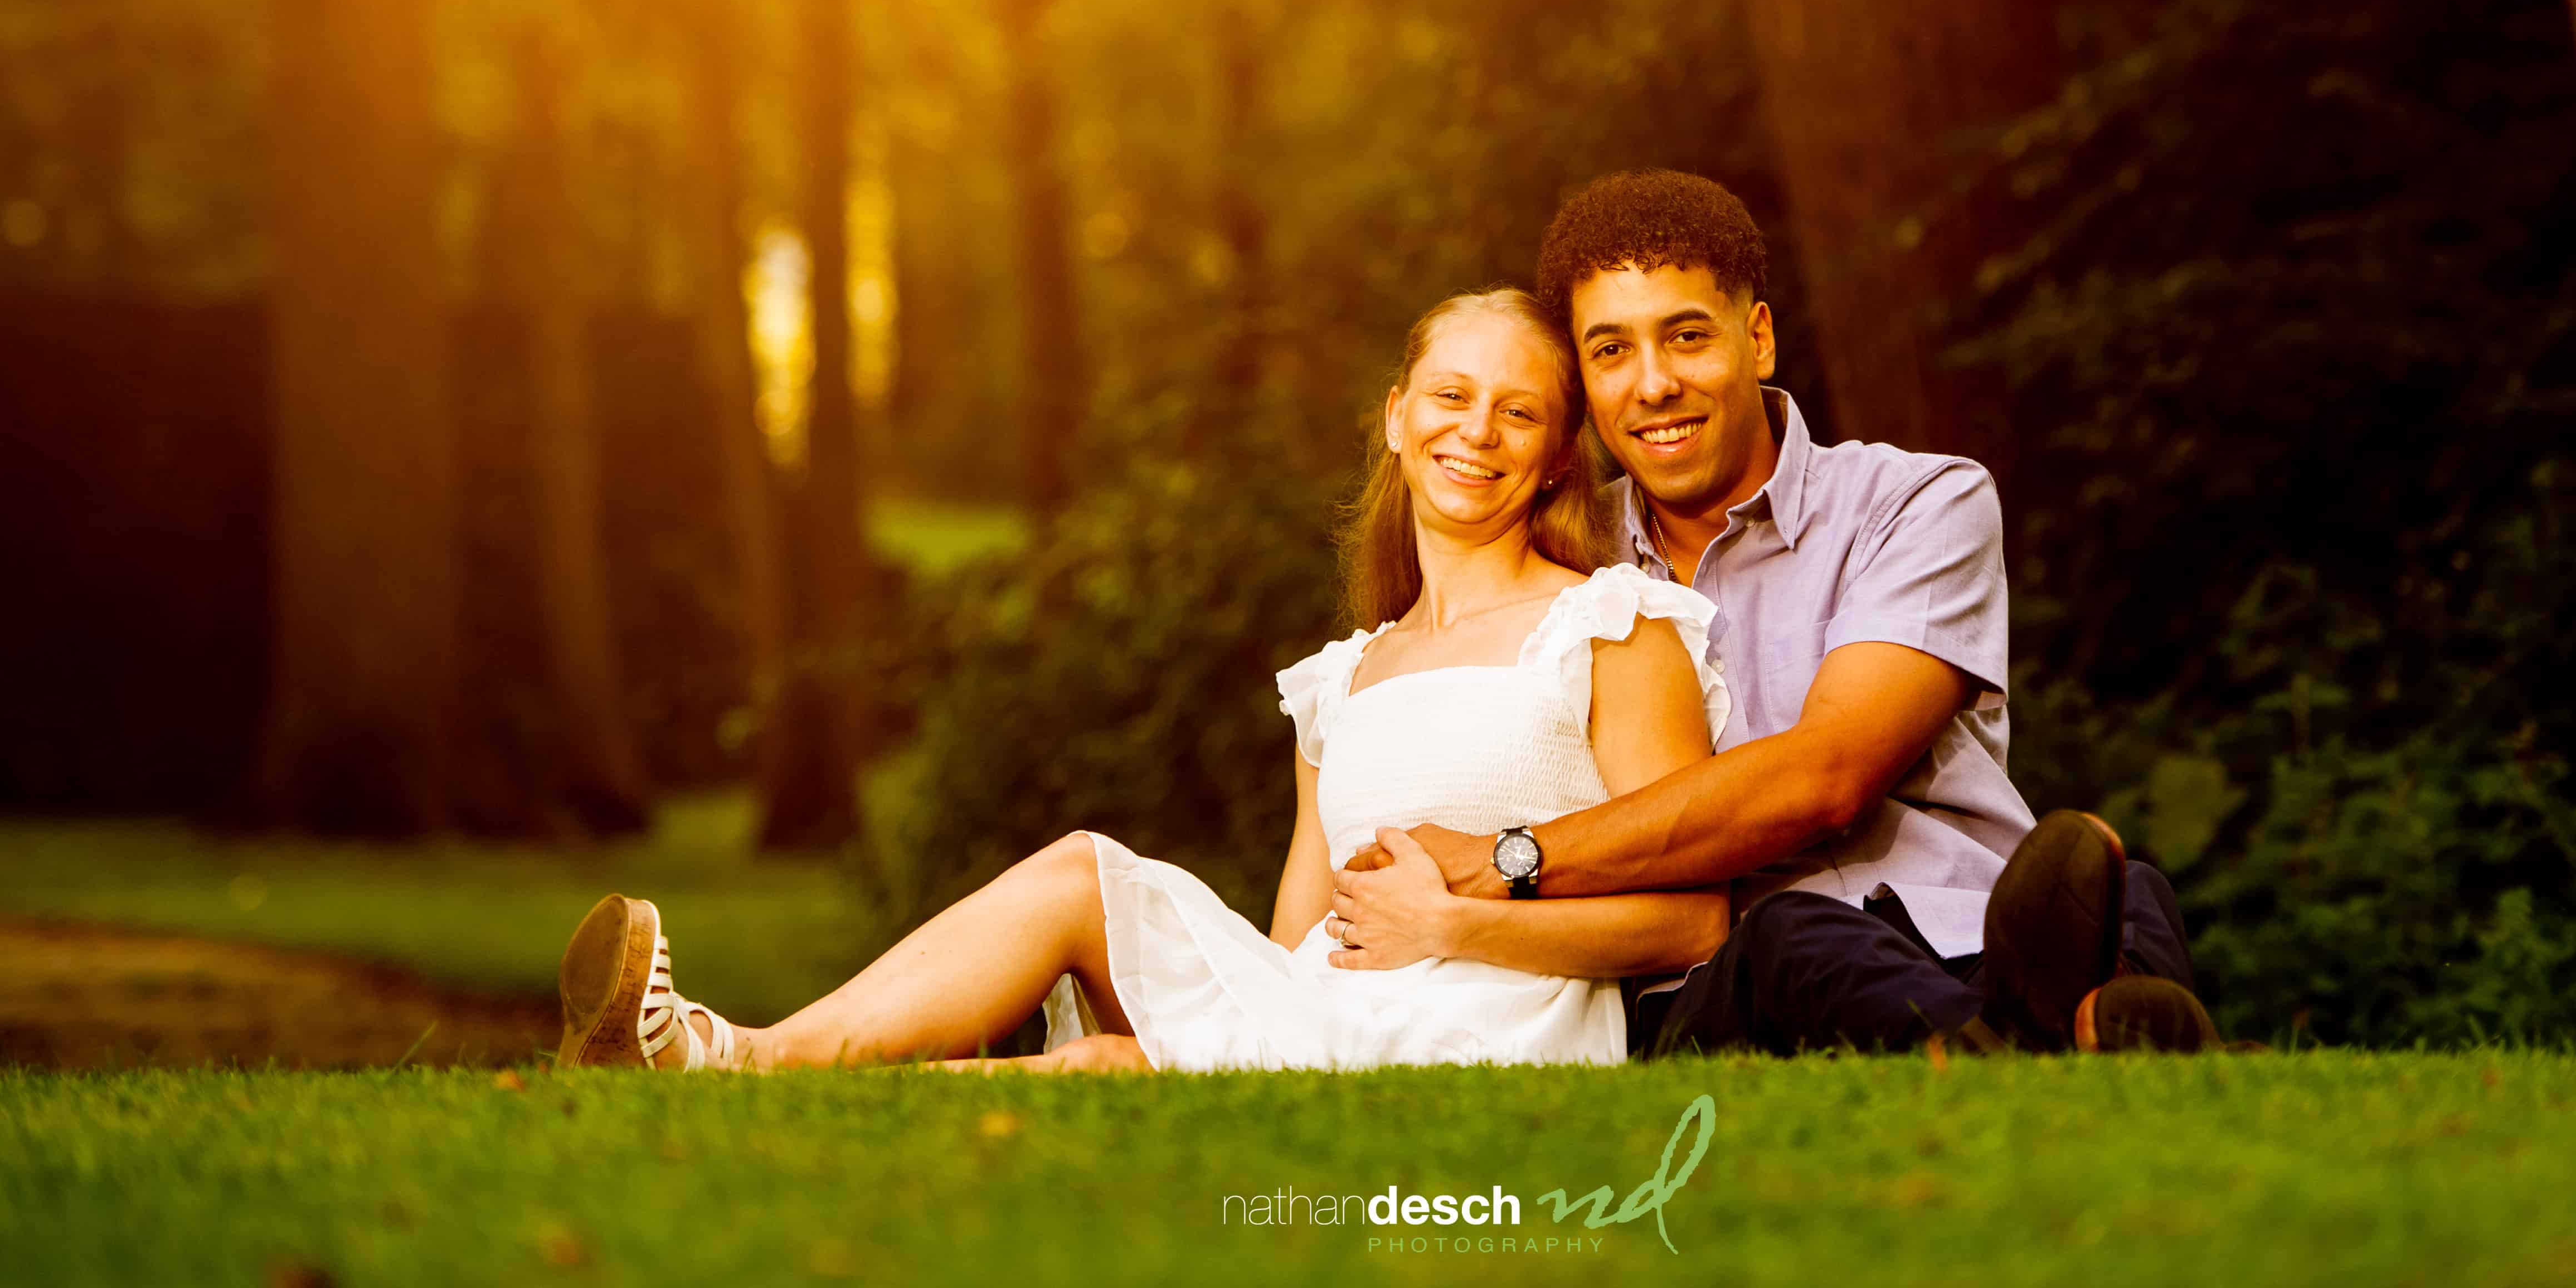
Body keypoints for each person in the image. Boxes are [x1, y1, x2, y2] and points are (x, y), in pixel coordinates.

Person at [554, 287, 1731, 1075]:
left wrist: (1457, 924)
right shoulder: (1343, 681)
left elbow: (1693, 919)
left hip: (1482, 1035)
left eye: (1517, 411)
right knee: (1098, 1016)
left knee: (1089, 928)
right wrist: (1228, 1008)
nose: (1476, 432)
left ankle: (732, 1060)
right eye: (1450, 397)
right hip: (1332, 1017)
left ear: (1553, 453)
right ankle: (734, 1066)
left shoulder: (1610, 628)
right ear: (1395, 418)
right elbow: (1295, 947)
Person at [1339, 171, 2220, 1056]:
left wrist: (1507, 858)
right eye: (1610, 352)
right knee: (1792, 932)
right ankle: (2071, 1045)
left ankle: (2048, 1032)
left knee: (2131, 888)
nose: (1652, 386)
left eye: (1686, 337)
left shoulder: (1914, 503)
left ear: (1756, 337)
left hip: (1974, 936)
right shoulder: (1567, 569)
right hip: (1737, 977)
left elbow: (1829, 774)